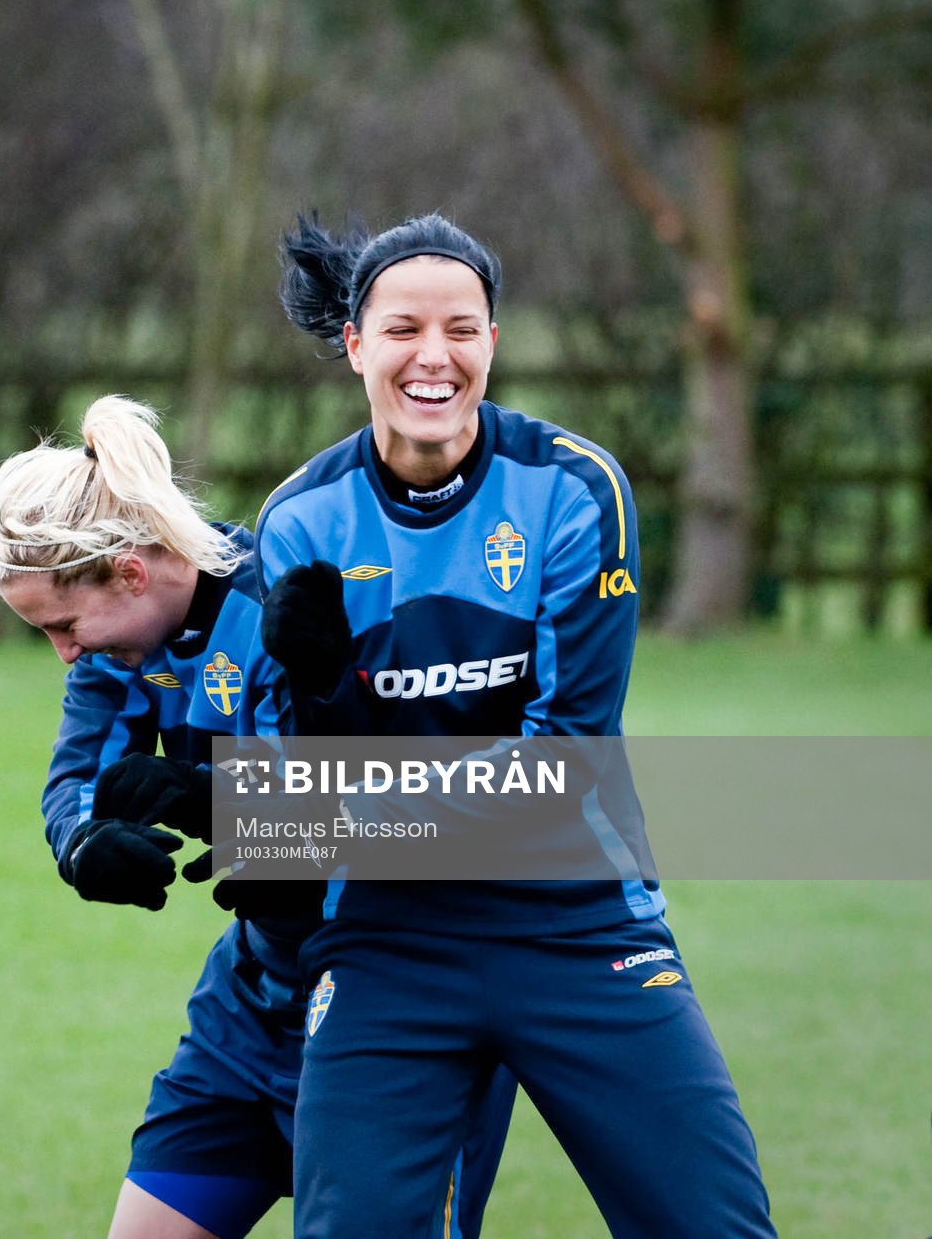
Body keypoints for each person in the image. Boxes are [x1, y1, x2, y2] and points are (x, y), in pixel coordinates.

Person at [258, 211, 776, 1237]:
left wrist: (293, 809)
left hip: (577, 925)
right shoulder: (298, 521)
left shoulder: (574, 488)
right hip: (385, 944)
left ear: (491, 340)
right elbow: (281, 778)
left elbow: (562, 767)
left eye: (461, 327)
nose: (433, 355)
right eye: (402, 329)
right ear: (355, 344)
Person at [0, 394, 514, 1239]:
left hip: (394, 998)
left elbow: (371, 813)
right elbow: (79, 772)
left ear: (129, 572)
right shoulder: (124, 649)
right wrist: (84, 842)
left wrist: (218, 807)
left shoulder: (287, 606)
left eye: (64, 625)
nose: (65, 651)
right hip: (251, 1002)